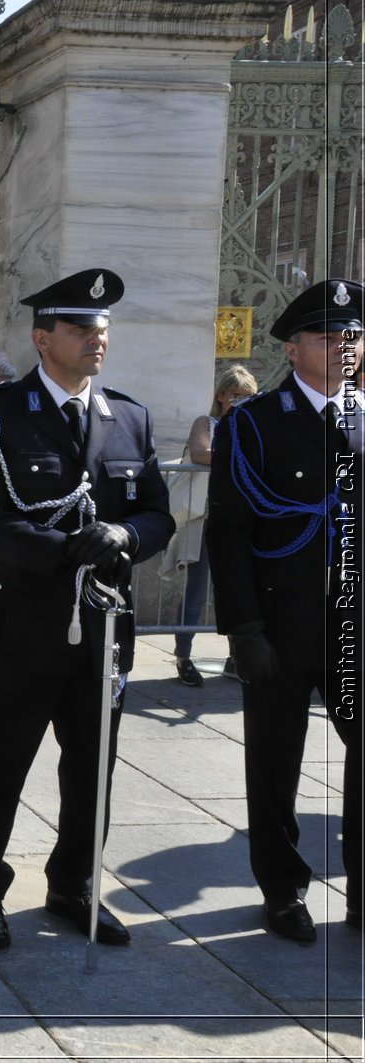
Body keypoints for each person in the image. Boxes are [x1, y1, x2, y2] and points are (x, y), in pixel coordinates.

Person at [0, 268, 173, 951]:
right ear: (43, 338)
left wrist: (127, 537)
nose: (95, 341)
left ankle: (73, 884)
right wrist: (67, 550)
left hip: (102, 633)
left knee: (92, 770)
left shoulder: (127, 416)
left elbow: (157, 512)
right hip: (18, 627)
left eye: (102, 330)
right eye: (80, 329)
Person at [206, 277, 364, 941]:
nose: (346, 349)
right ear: (294, 349)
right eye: (330, 338)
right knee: (275, 762)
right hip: (283, 619)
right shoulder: (255, 423)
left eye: (354, 337)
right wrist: (243, 629)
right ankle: (282, 889)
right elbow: (230, 530)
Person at [165, 364, 256, 686]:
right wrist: (241, 455)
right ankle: (184, 657)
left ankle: (235, 657)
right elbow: (201, 452)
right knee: (197, 591)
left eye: (249, 397)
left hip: (241, 520)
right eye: (235, 396)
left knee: (237, 591)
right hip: (205, 518)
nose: (241, 402)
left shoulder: (253, 424)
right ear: (220, 396)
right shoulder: (208, 422)